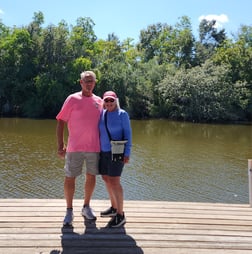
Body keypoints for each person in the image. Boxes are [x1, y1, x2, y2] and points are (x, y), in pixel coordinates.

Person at [56, 70, 103, 226]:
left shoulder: (100, 101)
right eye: (86, 81)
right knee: (70, 178)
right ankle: (69, 211)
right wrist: (60, 145)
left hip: (94, 147)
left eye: (91, 81)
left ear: (95, 83)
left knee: (91, 177)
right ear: (81, 82)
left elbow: (105, 125)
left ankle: (86, 206)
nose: (89, 83)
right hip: (74, 147)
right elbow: (61, 121)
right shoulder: (72, 99)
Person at [98, 91, 132, 227]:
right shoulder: (103, 113)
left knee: (115, 181)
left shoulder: (122, 114)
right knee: (106, 178)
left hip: (117, 151)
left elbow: (128, 134)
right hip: (103, 151)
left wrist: (127, 152)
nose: (109, 103)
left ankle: (120, 214)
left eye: (111, 100)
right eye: (106, 100)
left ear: (116, 101)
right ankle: (113, 208)